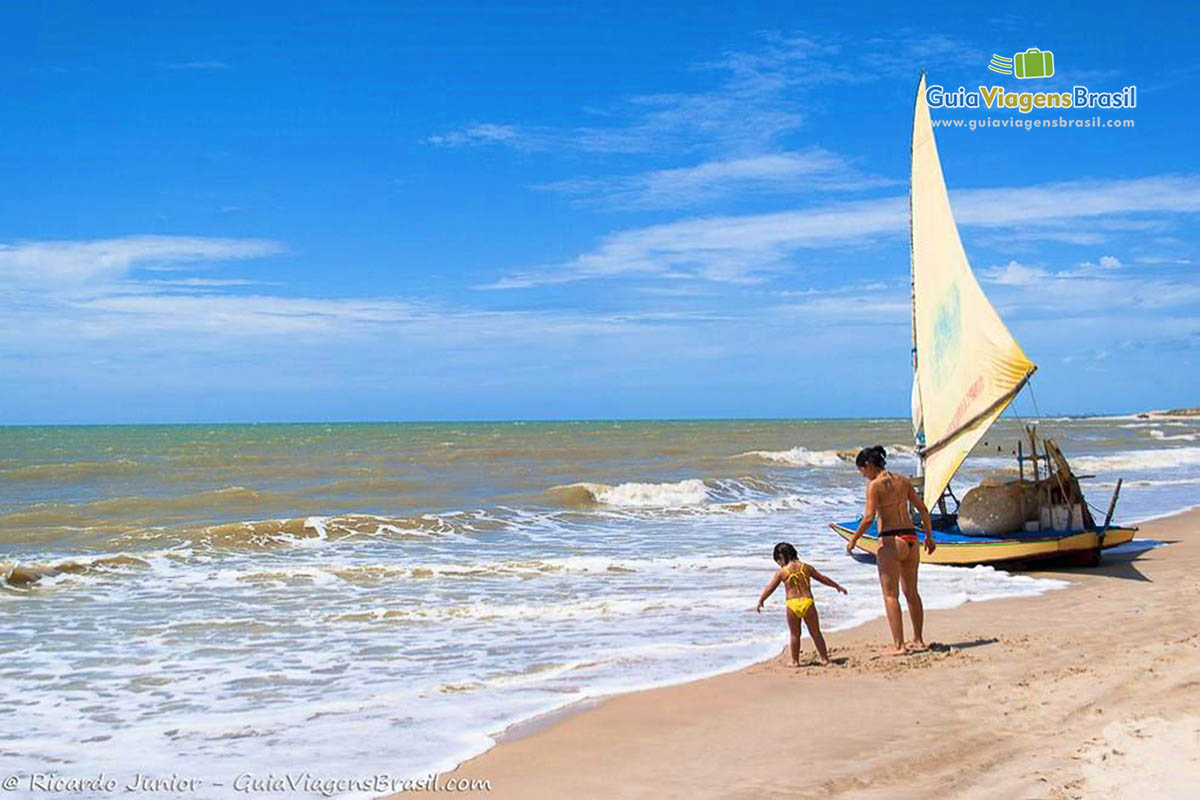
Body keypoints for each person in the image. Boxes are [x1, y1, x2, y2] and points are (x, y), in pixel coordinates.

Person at [845, 445, 935, 655]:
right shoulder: (903, 481)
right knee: (912, 592)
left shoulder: (875, 486)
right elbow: (922, 508)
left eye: (862, 471)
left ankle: (899, 645)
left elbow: (868, 518)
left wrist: (853, 540)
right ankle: (919, 640)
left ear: (868, 465)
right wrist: (929, 536)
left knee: (890, 595)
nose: (863, 476)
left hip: (891, 540)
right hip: (911, 538)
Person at [756, 542, 847, 666]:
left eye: (778, 561)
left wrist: (762, 599)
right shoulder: (806, 567)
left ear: (782, 557)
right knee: (816, 633)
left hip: (792, 605)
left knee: (794, 635)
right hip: (807, 602)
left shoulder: (782, 572)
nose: (779, 564)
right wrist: (837, 586)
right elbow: (822, 578)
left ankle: (794, 661)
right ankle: (825, 659)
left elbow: (770, 587)